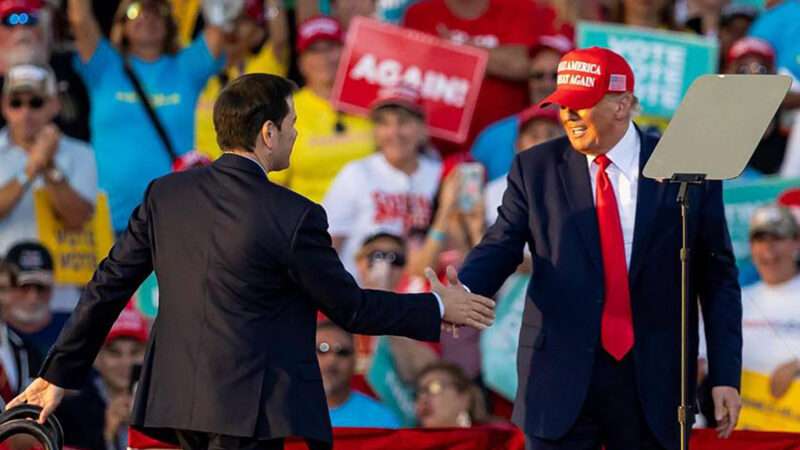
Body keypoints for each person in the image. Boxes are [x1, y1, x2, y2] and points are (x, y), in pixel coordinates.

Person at [10, 73, 496, 450]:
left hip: (168, 405)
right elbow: (350, 308)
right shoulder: (294, 214)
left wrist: (57, 375)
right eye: (291, 127)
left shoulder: (166, 195)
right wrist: (436, 307)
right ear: (267, 132)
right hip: (252, 415)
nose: (294, 137)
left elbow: (108, 286)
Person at [441, 47, 743, 449]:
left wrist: (725, 374)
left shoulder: (686, 166)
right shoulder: (535, 168)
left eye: (579, 104)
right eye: (562, 104)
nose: (567, 115)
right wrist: (463, 292)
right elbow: (502, 244)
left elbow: (717, 276)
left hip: (654, 379)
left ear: (621, 106)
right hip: (558, 376)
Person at [67, 0, 226, 233]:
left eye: (157, 11)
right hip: (109, 223)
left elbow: (220, 22)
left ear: (169, 24)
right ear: (121, 25)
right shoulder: (104, 64)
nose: (146, 17)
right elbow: (79, 17)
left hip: (173, 221)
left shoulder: (186, 67)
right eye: (135, 11)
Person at [0, 62, 98, 312]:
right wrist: (30, 169)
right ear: (4, 106)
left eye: (35, 102)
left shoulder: (81, 153)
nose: (25, 112)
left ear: (54, 104)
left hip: (60, 295)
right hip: (4, 293)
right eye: (16, 103)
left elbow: (77, 218)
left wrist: (49, 166)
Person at [402, 0, 553, 154]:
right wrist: (491, 57)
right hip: (431, 148)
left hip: (503, 146)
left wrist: (457, 49)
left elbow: (525, 65)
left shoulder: (519, 8)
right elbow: (405, 70)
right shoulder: (418, 14)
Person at [323, 84, 441, 278]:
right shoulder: (356, 173)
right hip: (361, 293)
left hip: (419, 294)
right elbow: (331, 241)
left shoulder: (439, 174)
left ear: (422, 129)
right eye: (384, 123)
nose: (394, 133)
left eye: (403, 122)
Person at [269, 16, 374, 203]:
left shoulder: (372, 103)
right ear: (300, 62)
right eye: (314, 51)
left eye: (331, 47)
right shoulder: (284, 110)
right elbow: (274, 184)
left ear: (346, 52)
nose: (324, 58)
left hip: (371, 222)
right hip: (309, 222)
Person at [194, 0, 290, 160]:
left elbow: (280, 40)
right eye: (229, 21)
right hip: (208, 176)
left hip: (255, 175)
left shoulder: (266, 66)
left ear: (258, 32)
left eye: (242, 21)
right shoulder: (201, 71)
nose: (232, 29)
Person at [471, 34, 572, 181]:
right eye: (538, 75)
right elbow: (469, 197)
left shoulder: (588, 136)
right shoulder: (493, 136)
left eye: (556, 76)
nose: (546, 84)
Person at [54, 303, 149, 450]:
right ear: (96, 358)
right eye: (114, 353)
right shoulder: (71, 411)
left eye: (135, 352)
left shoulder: (164, 404)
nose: (126, 362)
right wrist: (107, 433)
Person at [0, 0, 91, 141]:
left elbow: (82, 20)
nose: (20, 28)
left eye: (29, 19)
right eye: (8, 20)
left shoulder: (74, 67)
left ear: (45, 25)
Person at [484, 106, 562, 225]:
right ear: (518, 145)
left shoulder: (578, 187)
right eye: (534, 136)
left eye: (550, 134)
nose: (542, 142)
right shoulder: (493, 193)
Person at [316, 319, 401, 428]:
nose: (331, 360)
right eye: (322, 349)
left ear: (355, 361)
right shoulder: (287, 411)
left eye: (342, 352)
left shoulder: (380, 420)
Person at [724, 37, 787, 177]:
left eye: (762, 70)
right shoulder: (713, 111)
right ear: (728, 72)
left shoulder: (786, 115)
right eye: (742, 70)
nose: (753, 76)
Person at [2, 241, 70, 357]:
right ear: (6, 287)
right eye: (23, 287)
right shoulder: (2, 336)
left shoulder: (76, 327)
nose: (33, 297)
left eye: (41, 287)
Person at [414, 361, 489, 428]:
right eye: (419, 393)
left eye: (434, 387)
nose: (423, 398)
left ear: (463, 398)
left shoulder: (491, 440)